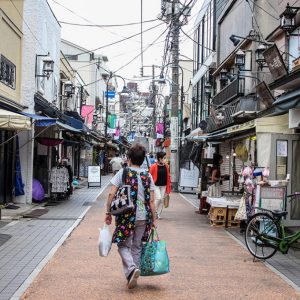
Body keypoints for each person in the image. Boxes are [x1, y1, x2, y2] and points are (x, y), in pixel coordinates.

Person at [105, 143, 156, 289]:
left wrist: (108, 212)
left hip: (126, 215)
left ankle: (132, 269)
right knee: (137, 245)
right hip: (143, 216)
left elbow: (111, 193)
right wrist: (154, 219)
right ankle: (132, 275)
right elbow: (152, 201)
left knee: (122, 244)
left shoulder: (124, 172)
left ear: (129, 158)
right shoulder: (148, 175)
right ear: (142, 159)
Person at [149, 151, 171, 219]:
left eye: (165, 158)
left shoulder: (166, 166)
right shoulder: (153, 166)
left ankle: (158, 214)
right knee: (158, 198)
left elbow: (168, 176)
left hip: (164, 185)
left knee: (161, 200)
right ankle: (153, 212)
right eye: (164, 158)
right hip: (156, 185)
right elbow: (149, 176)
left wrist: (169, 187)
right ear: (159, 159)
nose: (165, 159)